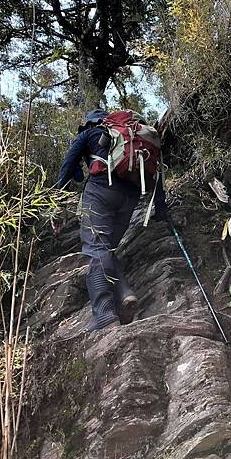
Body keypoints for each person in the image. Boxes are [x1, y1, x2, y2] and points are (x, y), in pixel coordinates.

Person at [56, 109, 168, 331]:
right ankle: (125, 293)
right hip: (130, 197)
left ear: (89, 122)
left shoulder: (89, 134)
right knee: (105, 248)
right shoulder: (130, 136)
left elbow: (67, 167)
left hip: (100, 192)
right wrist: (161, 209)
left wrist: (56, 205)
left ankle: (104, 313)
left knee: (97, 249)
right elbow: (156, 173)